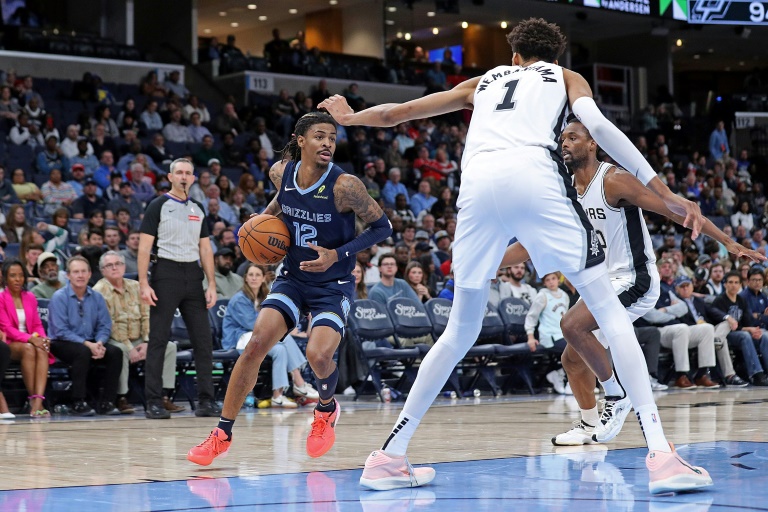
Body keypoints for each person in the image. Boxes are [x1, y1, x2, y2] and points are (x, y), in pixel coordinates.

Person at [319, 17, 715, 494]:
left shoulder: (482, 82)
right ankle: (662, 455)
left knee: (457, 332)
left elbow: (397, 113)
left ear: (513, 57)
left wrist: (348, 116)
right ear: (555, 57)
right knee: (609, 314)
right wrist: (664, 191)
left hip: (478, 186)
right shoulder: (565, 78)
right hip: (534, 178)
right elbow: (600, 126)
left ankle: (388, 457)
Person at [502, 118, 759, 442]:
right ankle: (588, 424)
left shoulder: (614, 180)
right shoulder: (563, 189)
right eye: (562, 138)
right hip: (600, 282)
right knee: (572, 357)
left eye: (573, 137)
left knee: (572, 325)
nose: (565, 143)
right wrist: (483, 265)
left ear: (592, 143)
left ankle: (616, 395)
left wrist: (728, 241)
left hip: (634, 278)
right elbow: (528, 244)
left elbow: (675, 211)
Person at [187, 112, 391, 465]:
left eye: (332, 137)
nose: (328, 142)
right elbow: (282, 201)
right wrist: (261, 222)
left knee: (318, 355)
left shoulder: (346, 186)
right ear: (301, 141)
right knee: (254, 345)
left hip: (333, 282)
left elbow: (382, 227)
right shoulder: (281, 172)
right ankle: (221, 433)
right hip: (294, 278)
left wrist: (338, 254)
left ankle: (326, 410)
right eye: (319, 136)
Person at [138, 158, 221, 420]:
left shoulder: (198, 208)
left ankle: (206, 401)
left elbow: (205, 249)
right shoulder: (158, 205)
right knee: (159, 339)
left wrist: (212, 284)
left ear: (193, 178)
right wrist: (143, 282)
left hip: (192, 275)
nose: (184, 177)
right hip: (166, 273)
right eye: (179, 173)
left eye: (188, 173)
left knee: (203, 341)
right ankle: (153, 402)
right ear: (170, 177)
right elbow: (144, 246)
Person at [94, 251, 184, 415]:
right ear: (102, 270)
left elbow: (146, 315)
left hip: (140, 339)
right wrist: (130, 347)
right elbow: (109, 324)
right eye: (109, 265)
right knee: (120, 351)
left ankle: (163, 396)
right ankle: (121, 397)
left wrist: (147, 342)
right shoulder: (99, 291)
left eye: (118, 264)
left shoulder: (136, 286)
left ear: (124, 266)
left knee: (168, 346)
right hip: (115, 340)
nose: (115, 268)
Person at [222, 264, 320, 408]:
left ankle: (278, 395)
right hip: (240, 339)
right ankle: (299, 382)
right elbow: (254, 325)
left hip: (258, 338)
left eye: (257, 275)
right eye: (250, 275)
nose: (254, 278)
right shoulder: (239, 299)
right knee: (283, 337)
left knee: (281, 347)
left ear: (263, 279)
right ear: (245, 279)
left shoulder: (265, 296)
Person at [48, 255, 122, 416]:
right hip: (62, 342)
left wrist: (100, 343)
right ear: (68, 275)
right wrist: (88, 345)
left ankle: (108, 402)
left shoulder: (97, 297)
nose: (80, 275)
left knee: (116, 352)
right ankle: (78, 402)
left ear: (89, 274)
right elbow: (61, 330)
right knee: (82, 352)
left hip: (92, 342)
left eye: (83, 271)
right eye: (76, 272)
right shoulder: (59, 297)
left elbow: (104, 325)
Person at [0, 259, 52, 417]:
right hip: (12, 342)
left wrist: (42, 337)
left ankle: (37, 401)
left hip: (32, 339)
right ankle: (35, 400)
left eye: (21, 275)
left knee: (42, 348)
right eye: (13, 275)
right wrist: (30, 339)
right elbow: (6, 328)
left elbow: (37, 324)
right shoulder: (1, 298)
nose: (17, 279)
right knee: (30, 348)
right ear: (5, 278)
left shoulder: (30, 297)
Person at [714, 271, 768, 386]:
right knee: (745, 336)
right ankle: (756, 374)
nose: (733, 285)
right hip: (725, 336)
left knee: (765, 336)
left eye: (736, 282)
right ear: (725, 285)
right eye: (730, 282)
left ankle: (765, 372)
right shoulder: (720, 300)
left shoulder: (741, 300)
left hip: (741, 331)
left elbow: (749, 321)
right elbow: (721, 326)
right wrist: (748, 330)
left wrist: (755, 330)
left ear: (740, 285)